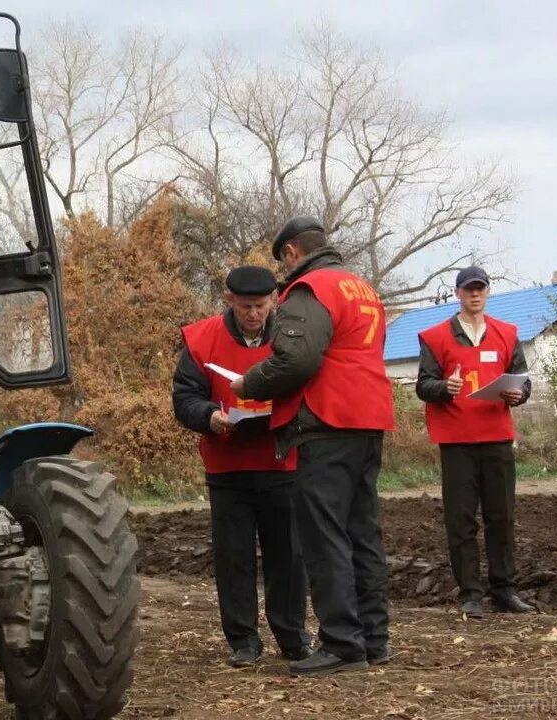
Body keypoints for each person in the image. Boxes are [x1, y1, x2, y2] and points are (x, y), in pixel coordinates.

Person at [230, 216, 394, 676]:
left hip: (326, 421)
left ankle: (342, 643)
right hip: (368, 419)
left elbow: (297, 358)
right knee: (363, 531)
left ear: (290, 254)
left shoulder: (310, 290)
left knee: (324, 536)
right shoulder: (363, 289)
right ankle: (374, 639)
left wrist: (250, 382)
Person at [172, 266, 311, 668]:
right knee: (234, 558)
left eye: (262, 306)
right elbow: (184, 397)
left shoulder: (292, 336)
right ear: (229, 301)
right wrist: (208, 417)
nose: (254, 314)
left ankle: (292, 636)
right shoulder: (201, 339)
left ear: (274, 302)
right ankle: (244, 642)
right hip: (227, 467)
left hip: (280, 462)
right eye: (246, 306)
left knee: (286, 556)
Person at [415, 266, 535, 617]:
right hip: (456, 442)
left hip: (497, 438)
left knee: (502, 516)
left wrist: (519, 394)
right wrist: (444, 389)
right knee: (461, 519)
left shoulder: (507, 334)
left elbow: (523, 380)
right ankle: (470, 593)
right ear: (458, 294)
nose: (475, 294)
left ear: (487, 292)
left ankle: (504, 590)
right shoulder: (436, 337)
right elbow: (424, 385)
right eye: (469, 290)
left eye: (480, 289)